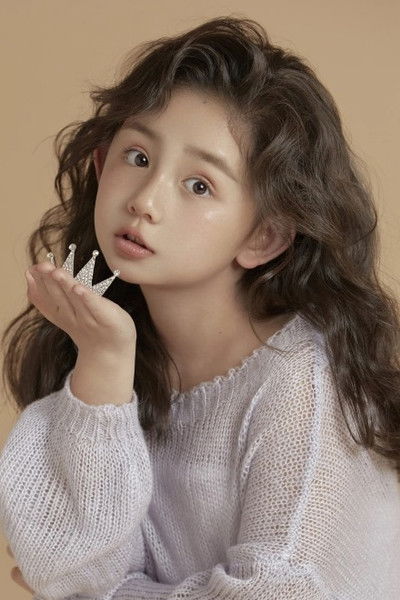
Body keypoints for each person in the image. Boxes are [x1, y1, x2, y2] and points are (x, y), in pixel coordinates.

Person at [0, 14, 399, 600]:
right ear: (101, 166)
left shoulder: (302, 387)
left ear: (264, 236)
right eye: (138, 156)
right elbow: (61, 567)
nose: (145, 201)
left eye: (199, 185)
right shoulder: (108, 341)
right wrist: (104, 367)